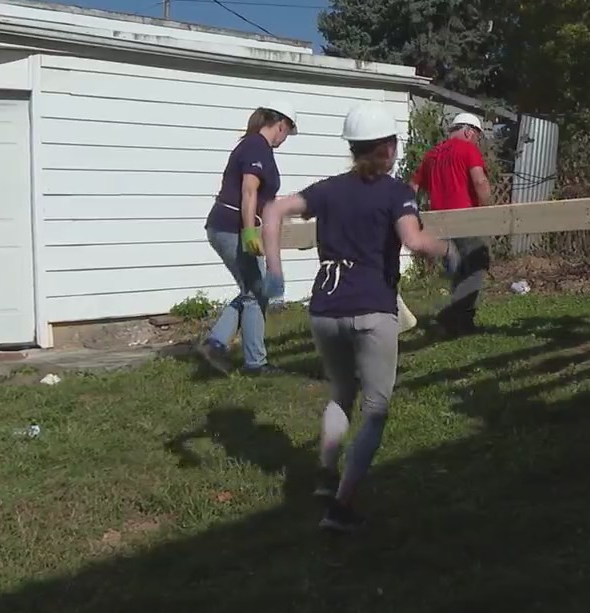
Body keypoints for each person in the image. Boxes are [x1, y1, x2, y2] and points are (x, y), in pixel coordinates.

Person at [261, 103, 460, 533]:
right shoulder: (395, 193)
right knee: (375, 408)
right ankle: (340, 509)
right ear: (388, 147)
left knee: (340, 391)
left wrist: (274, 270)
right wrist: (448, 251)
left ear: (353, 148)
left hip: (325, 309)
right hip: (372, 310)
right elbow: (414, 240)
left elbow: (273, 210)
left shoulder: (328, 190)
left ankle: (325, 475)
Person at [197, 100, 298, 376]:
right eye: (287, 132)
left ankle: (217, 343)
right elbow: (249, 191)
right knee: (255, 291)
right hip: (231, 227)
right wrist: (249, 230)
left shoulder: (258, 148)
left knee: (253, 290)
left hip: (232, 227)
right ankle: (254, 362)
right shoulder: (255, 146)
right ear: (281, 125)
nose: (285, 138)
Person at [411, 112, 493, 336]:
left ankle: (460, 322)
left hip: (439, 223)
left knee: (459, 270)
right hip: (466, 218)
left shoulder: (432, 155)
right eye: (476, 136)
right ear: (468, 131)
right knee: (476, 265)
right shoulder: (468, 149)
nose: (477, 141)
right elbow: (480, 180)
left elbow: (413, 188)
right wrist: (488, 212)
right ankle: (452, 316)